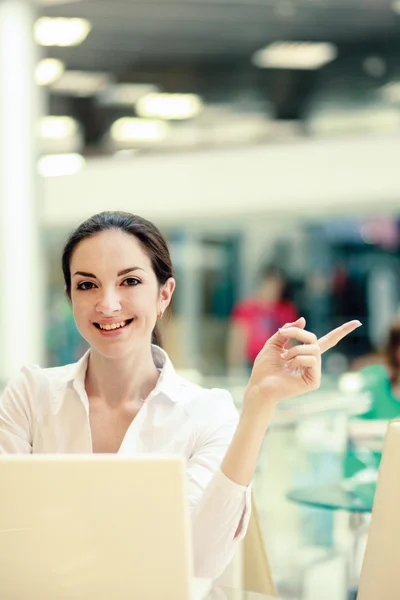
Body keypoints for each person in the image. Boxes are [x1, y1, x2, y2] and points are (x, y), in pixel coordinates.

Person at [0, 211, 361, 579]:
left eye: (129, 281)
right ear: (70, 296)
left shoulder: (207, 413)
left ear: (164, 294)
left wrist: (260, 403)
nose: (107, 304)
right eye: (87, 285)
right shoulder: (30, 396)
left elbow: (198, 561)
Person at [227, 265, 298, 372]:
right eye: (271, 284)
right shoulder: (246, 308)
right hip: (251, 364)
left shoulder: (286, 310)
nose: (273, 289)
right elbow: (238, 341)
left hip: (277, 364)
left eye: (277, 286)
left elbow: (291, 343)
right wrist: (235, 370)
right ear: (263, 283)